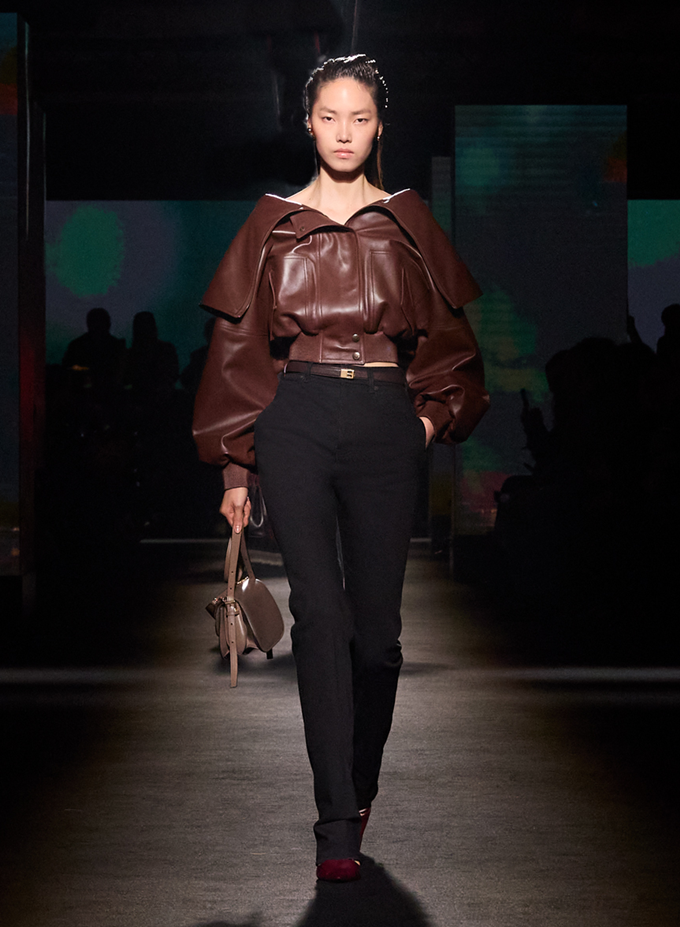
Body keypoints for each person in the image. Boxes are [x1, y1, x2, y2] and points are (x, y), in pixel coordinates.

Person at [193, 54, 489, 882]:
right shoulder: (272, 223)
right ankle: (334, 821)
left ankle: (358, 784)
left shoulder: (407, 223)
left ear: (380, 125)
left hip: (386, 418)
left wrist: (423, 423)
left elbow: (453, 347)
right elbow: (237, 349)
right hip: (295, 414)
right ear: (308, 123)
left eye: (360, 118)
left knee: (378, 639)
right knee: (320, 614)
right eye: (330, 117)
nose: (345, 132)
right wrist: (235, 470)